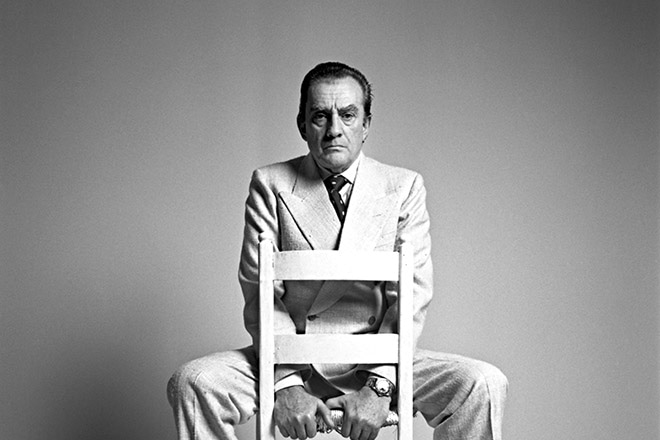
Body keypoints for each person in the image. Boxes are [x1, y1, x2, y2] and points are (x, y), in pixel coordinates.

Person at [167, 61, 508, 440]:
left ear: (366, 124)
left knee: (481, 383)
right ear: (302, 125)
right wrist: (287, 384)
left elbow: (411, 298)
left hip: (376, 361)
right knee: (194, 382)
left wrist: (379, 387)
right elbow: (261, 296)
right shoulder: (270, 183)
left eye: (347, 115)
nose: (334, 129)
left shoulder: (403, 186)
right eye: (320, 116)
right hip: (291, 358)